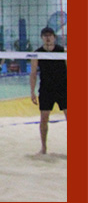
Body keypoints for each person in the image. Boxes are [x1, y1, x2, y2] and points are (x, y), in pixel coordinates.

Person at [29, 27, 67, 155]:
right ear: (42, 38)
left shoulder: (63, 51)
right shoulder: (37, 53)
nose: (48, 37)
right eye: (45, 35)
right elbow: (33, 74)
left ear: (54, 37)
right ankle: (43, 148)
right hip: (46, 90)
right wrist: (32, 92)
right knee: (44, 119)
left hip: (63, 88)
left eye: (50, 35)